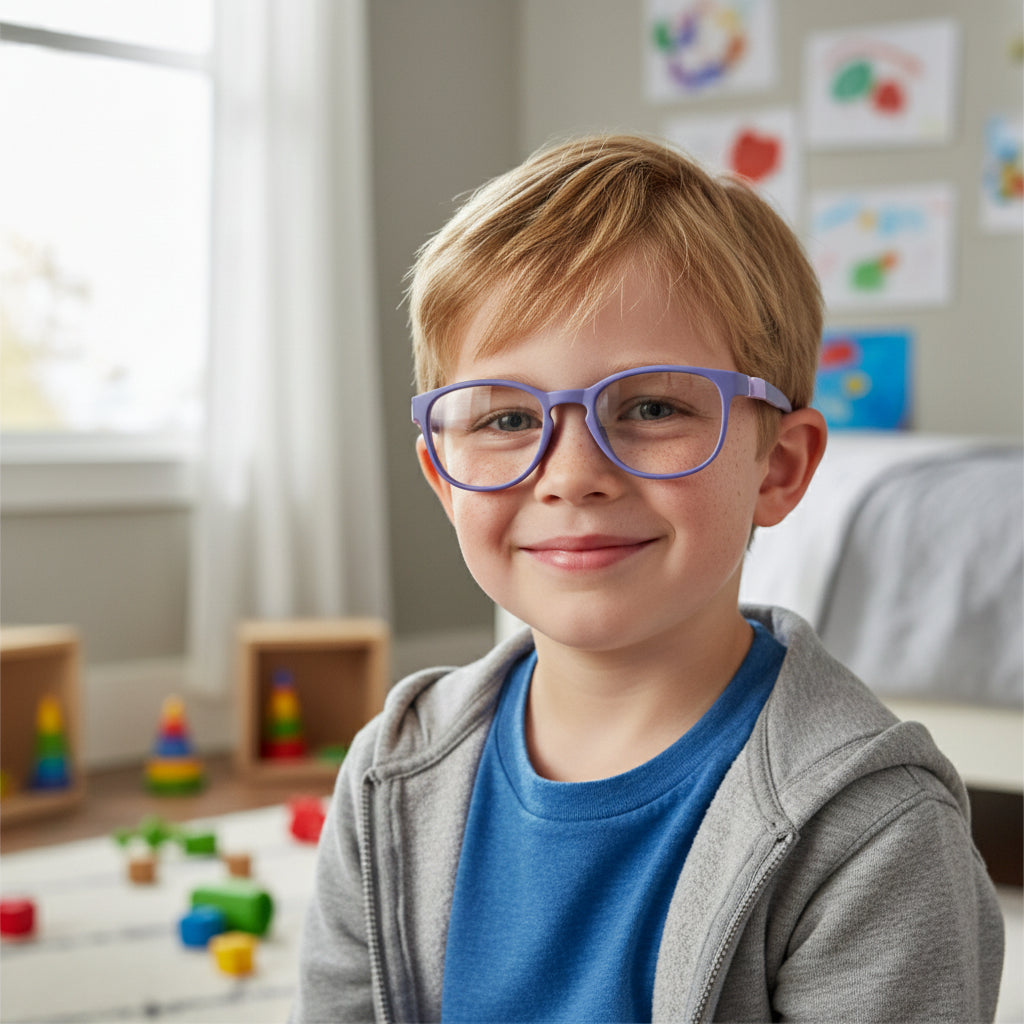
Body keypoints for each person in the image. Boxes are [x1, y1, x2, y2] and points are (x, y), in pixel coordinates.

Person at [290, 133, 1004, 1023]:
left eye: (652, 407)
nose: (571, 472)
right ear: (443, 476)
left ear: (777, 467)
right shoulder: (390, 776)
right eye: (508, 416)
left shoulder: (872, 833)